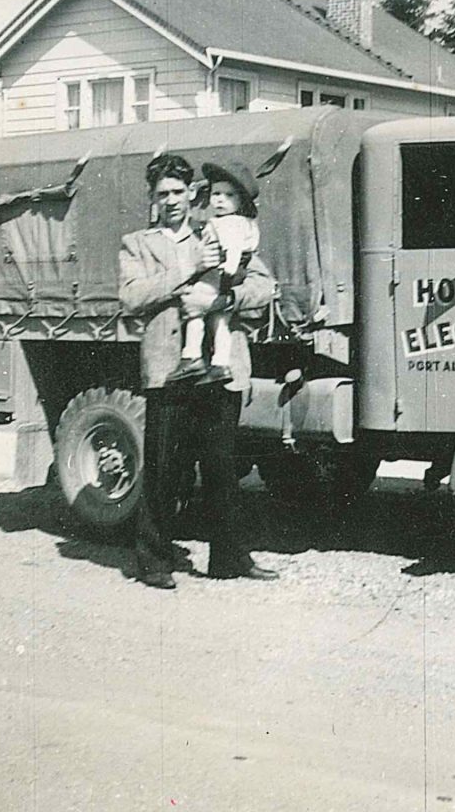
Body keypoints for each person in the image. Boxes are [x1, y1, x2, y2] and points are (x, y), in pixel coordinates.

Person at [119, 152, 279, 590]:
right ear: (152, 199)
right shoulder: (138, 243)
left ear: (192, 193)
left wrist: (222, 302)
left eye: (177, 192)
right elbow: (132, 297)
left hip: (221, 369)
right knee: (163, 470)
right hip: (169, 372)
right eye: (161, 194)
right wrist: (187, 268)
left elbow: (263, 286)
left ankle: (229, 558)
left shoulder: (217, 230)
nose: (170, 201)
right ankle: (152, 559)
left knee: (221, 468)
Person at [167, 160, 260, 385]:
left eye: (229, 195)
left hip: (220, 276)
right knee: (220, 322)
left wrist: (227, 272)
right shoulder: (244, 223)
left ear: (240, 201)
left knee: (194, 307)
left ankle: (191, 356)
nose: (220, 199)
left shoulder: (227, 223)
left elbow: (234, 248)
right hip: (231, 278)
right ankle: (220, 363)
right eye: (216, 193)